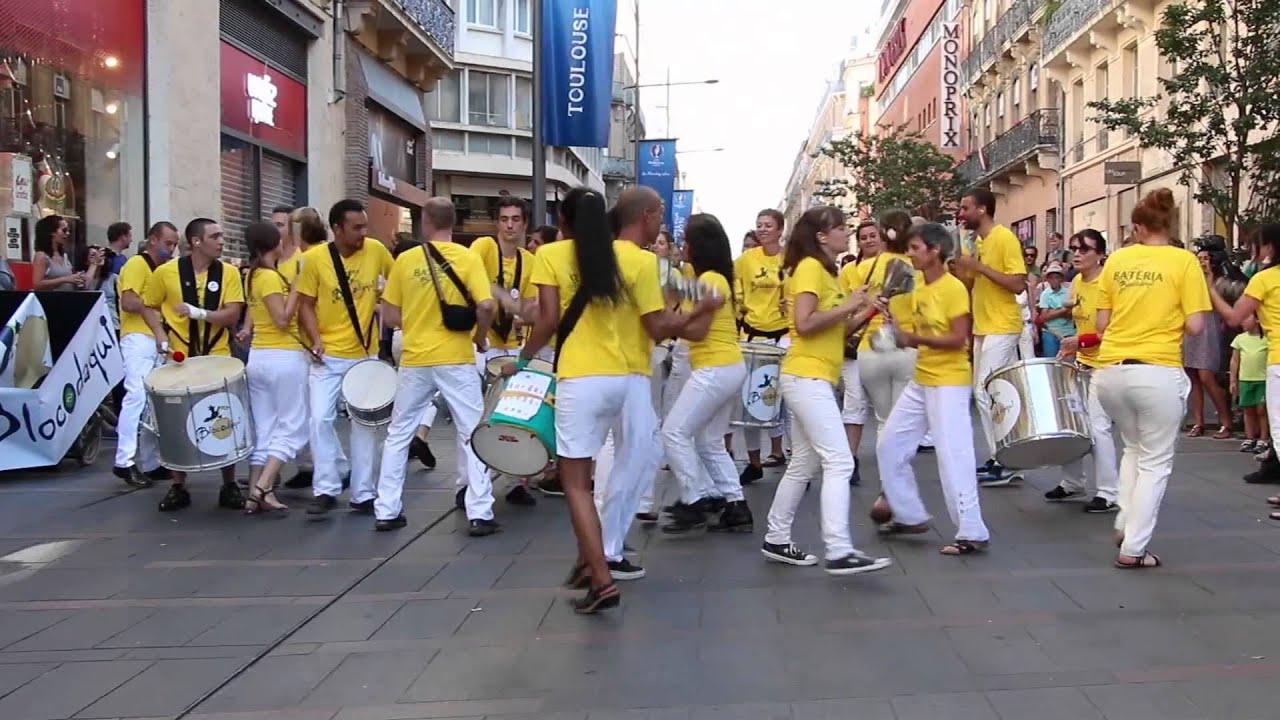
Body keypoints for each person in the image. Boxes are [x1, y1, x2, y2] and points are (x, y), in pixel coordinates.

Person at [506, 187, 663, 612]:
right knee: (608, 468)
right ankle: (590, 559)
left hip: (579, 377)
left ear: (564, 219)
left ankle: (602, 580)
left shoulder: (552, 256)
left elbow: (549, 319)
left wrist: (521, 359)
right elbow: (652, 323)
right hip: (621, 376)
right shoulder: (638, 259)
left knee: (575, 484)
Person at [760, 205, 890, 576]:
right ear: (821, 235)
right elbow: (803, 323)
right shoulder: (810, 269)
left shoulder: (829, 273)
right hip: (806, 376)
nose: (847, 233)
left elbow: (836, 330)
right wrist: (850, 304)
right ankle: (838, 548)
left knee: (803, 462)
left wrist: (864, 310)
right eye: (841, 228)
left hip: (814, 375)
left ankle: (776, 536)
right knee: (839, 460)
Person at [1091, 188, 1210, 568]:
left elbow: (1101, 323)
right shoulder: (1184, 261)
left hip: (1110, 370)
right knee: (1156, 461)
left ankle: (1125, 518)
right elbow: (1195, 325)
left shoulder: (1117, 261)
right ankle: (1134, 548)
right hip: (1157, 369)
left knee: (1133, 447)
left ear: (1138, 227)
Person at [374, 198, 496, 533]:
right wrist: (480, 337)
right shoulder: (469, 258)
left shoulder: (407, 259)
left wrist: (416, 319)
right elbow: (486, 305)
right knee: (471, 431)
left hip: (415, 359)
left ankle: (386, 509)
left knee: (398, 433)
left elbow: (390, 315)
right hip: (455, 358)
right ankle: (480, 511)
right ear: (453, 222)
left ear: (425, 222)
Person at [592, 187, 695, 579]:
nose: (662, 223)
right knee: (641, 453)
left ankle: (605, 541)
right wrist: (697, 313)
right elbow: (656, 326)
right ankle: (607, 548)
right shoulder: (646, 263)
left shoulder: (595, 255)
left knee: (612, 453)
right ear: (647, 216)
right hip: (629, 370)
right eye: (661, 214)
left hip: (589, 368)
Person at [874, 222, 991, 556]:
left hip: (949, 382)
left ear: (935, 250)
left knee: (954, 456)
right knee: (889, 444)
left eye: (915, 248)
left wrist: (914, 339)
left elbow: (959, 340)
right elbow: (908, 330)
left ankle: (972, 530)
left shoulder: (953, 289)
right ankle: (908, 513)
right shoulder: (919, 286)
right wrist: (892, 327)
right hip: (923, 378)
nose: (910, 254)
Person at [140, 218, 247, 512]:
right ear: (196, 241)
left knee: (225, 416)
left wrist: (198, 313)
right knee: (175, 418)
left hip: (217, 355)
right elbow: (148, 306)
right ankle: (178, 484)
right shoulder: (166, 273)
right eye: (215, 236)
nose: (222, 241)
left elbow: (231, 315)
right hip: (180, 356)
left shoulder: (228, 273)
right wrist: (161, 335)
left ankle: (229, 483)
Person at [296, 199, 394, 518]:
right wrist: (316, 340)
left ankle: (363, 492)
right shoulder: (313, 260)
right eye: (356, 227)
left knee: (365, 425)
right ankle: (325, 486)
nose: (363, 233)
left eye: (365, 226)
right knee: (319, 419)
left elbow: (397, 282)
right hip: (327, 356)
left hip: (363, 355)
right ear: (337, 228)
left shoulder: (377, 251)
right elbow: (306, 304)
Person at [661, 213, 753, 534]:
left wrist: (681, 318)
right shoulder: (712, 280)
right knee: (710, 440)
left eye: (686, 239)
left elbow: (698, 332)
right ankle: (735, 504)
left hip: (715, 365)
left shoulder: (709, 281)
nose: (682, 245)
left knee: (673, 431)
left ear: (699, 245)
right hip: (726, 366)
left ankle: (693, 501)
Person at [466, 197, 539, 505]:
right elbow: (471, 284)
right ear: (496, 222)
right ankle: (468, 484)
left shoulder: (529, 261)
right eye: (505, 219)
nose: (510, 225)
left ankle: (515, 482)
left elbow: (532, 310)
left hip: (510, 344)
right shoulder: (482, 248)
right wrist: (507, 300)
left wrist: (515, 306)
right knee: (473, 417)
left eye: (516, 219)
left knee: (512, 416)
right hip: (477, 341)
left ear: (524, 224)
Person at [953, 189, 1028, 487]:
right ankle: (1005, 457)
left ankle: (1005, 458)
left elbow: (1018, 284)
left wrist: (979, 267)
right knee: (994, 392)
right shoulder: (978, 242)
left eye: (965, 207)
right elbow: (971, 283)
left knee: (987, 391)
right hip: (984, 325)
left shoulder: (1004, 238)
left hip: (1002, 324)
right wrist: (961, 270)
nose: (961, 213)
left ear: (982, 209)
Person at [1043, 229, 1120, 513]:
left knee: (1099, 427)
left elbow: (1111, 328)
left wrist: (1080, 342)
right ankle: (1073, 481)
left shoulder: (1107, 282)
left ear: (1099, 254)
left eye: (1084, 249)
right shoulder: (1075, 281)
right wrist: (1071, 346)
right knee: (1071, 424)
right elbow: (1078, 321)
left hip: (1105, 362)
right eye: (1074, 248)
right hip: (1081, 362)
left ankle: (1109, 492)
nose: (1076, 253)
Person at [238, 221, 308, 514]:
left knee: (265, 428)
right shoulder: (268, 277)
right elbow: (282, 319)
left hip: (259, 356)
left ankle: (255, 495)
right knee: (293, 425)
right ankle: (262, 487)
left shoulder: (251, 276)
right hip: (284, 357)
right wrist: (297, 288)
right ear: (273, 243)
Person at [1207, 223, 1280, 486]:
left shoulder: (1264, 280)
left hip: (1278, 360)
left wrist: (1211, 289)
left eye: (1255, 245)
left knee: (1279, 428)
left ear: (1269, 247)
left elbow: (1235, 316)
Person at [111, 221, 180, 488]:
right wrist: (151, 313)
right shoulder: (137, 265)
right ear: (152, 240)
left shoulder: (162, 270)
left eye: (174, 244)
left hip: (157, 339)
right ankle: (124, 461)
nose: (171, 249)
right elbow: (129, 301)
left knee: (153, 402)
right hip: (138, 338)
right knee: (137, 396)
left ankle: (151, 462)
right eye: (168, 243)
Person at [279, 207, 336, 491]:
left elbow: (302, 305)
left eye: (284, 226)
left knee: (314, 414)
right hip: (319, 342)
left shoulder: (305, 260)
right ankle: (320, 466)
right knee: (318, 415)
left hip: (309, 344)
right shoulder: (313, 256)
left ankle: (323, 470)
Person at [733, 209, 791, 482]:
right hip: (752, 337)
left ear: (780, 229)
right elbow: (737, 295)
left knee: (784, 401)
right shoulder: (745, 261)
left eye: (768, 225)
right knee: (750, 401)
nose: (763, 229)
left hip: (783, 337)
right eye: (759, 225)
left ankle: (787, 455)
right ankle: (754, 462)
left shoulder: (791, 260)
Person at [1183, 245, 1234, 439]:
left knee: (1206, 376)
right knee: (1193, 377)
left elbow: (1223, 305)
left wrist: (1209, 282)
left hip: (1209, 329)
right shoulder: (1190, 280)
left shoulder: (1220, 282)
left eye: (1205, 258)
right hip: (1191, 330)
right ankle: (1198, 422)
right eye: (1199, 258)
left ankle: (1226, 421)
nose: (1202, 262)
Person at [1230, 314, 1269, 455]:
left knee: (1261, 410)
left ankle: (1263, 438)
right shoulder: (1240, 339)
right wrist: (1233, 380)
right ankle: (1249, 437)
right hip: (1245, 379)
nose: (1243, 321)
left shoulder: (1267, 339)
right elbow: (1234, 360)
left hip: (1262, 379)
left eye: (1246, 318)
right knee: (1247, 409)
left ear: (1257, 320)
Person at [32, 215, 84, 291]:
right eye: (64, 230)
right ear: (52, 232)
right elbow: (37, 284)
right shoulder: (42, 256)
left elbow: (69, 279)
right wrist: (65, 279)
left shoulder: (64, 255)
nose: (68, 233)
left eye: (68, 230)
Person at [1035, 262, 1075, 357]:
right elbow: (1044, 316)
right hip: (1051, 332)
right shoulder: (1045, 294)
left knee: (1068, 363)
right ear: (1047, 279)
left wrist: (1052, 311)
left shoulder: (1068, 292)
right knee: (1051, 361)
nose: (1054, 280)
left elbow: (1072, 314)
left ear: (1061, 278)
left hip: (1068, 332)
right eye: (1051, 277)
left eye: (1057, 277)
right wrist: (1062, 310)